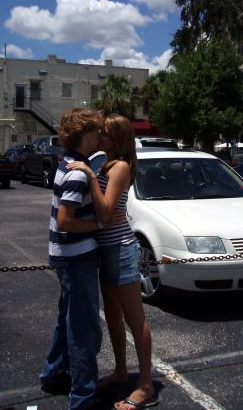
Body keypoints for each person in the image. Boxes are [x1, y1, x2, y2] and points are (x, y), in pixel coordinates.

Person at [67, 114, 157, 410]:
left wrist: (91, 177)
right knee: (114, 318)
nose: (100, 137)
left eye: (105, 133)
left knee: (134, 318)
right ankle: (121, 370)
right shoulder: (105, 162)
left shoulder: (119, 167)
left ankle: (145, 386)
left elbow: (106, 213)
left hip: (121, 248)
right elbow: (102, 213)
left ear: (117, 138)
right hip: (105, 249)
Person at [39, 107, 107, 410]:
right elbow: (66, 220)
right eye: (97, 130)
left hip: (65, 257)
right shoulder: (79, 172)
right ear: (85, 134)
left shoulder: (65, 164)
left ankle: (52, 374)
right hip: (76, 258)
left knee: (67, 320)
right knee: (84, 330)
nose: (101, 135)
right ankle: (83, 397)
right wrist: (97, 225)